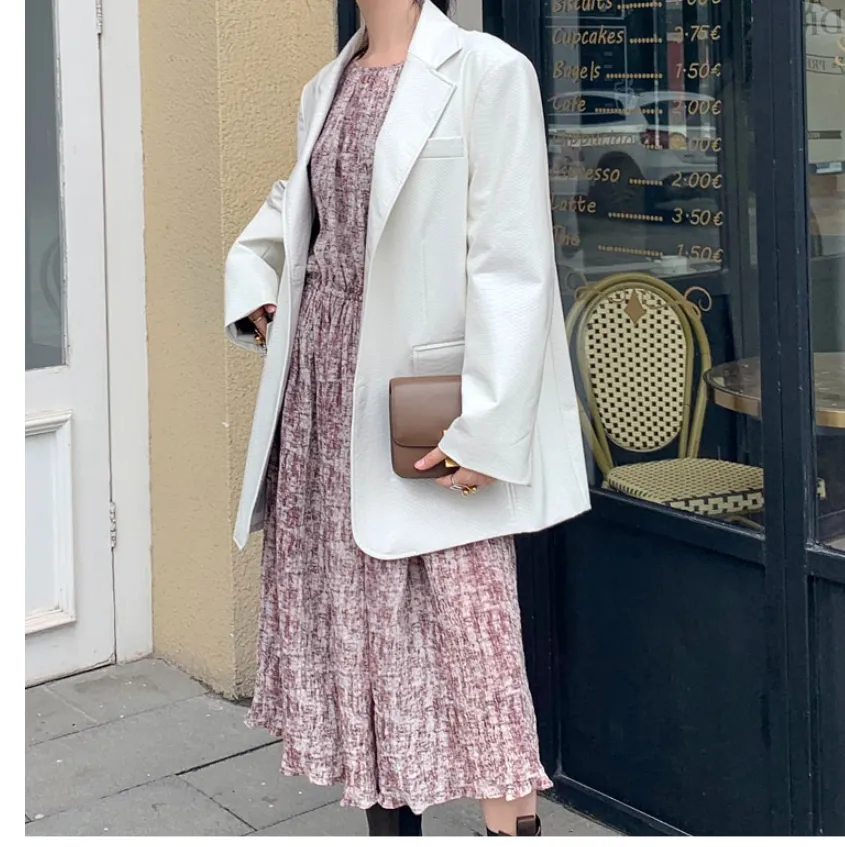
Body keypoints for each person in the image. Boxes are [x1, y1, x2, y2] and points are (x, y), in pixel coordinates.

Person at [224, 0, 590, 837]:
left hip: (420, 406)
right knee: (356, 633)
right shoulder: (328, 83)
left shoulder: (488, 69)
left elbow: (512, 258)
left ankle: (508, 823)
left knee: (473, 640)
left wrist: (490, 427)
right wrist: (260, 289)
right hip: (322, 398)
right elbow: (297, 209)